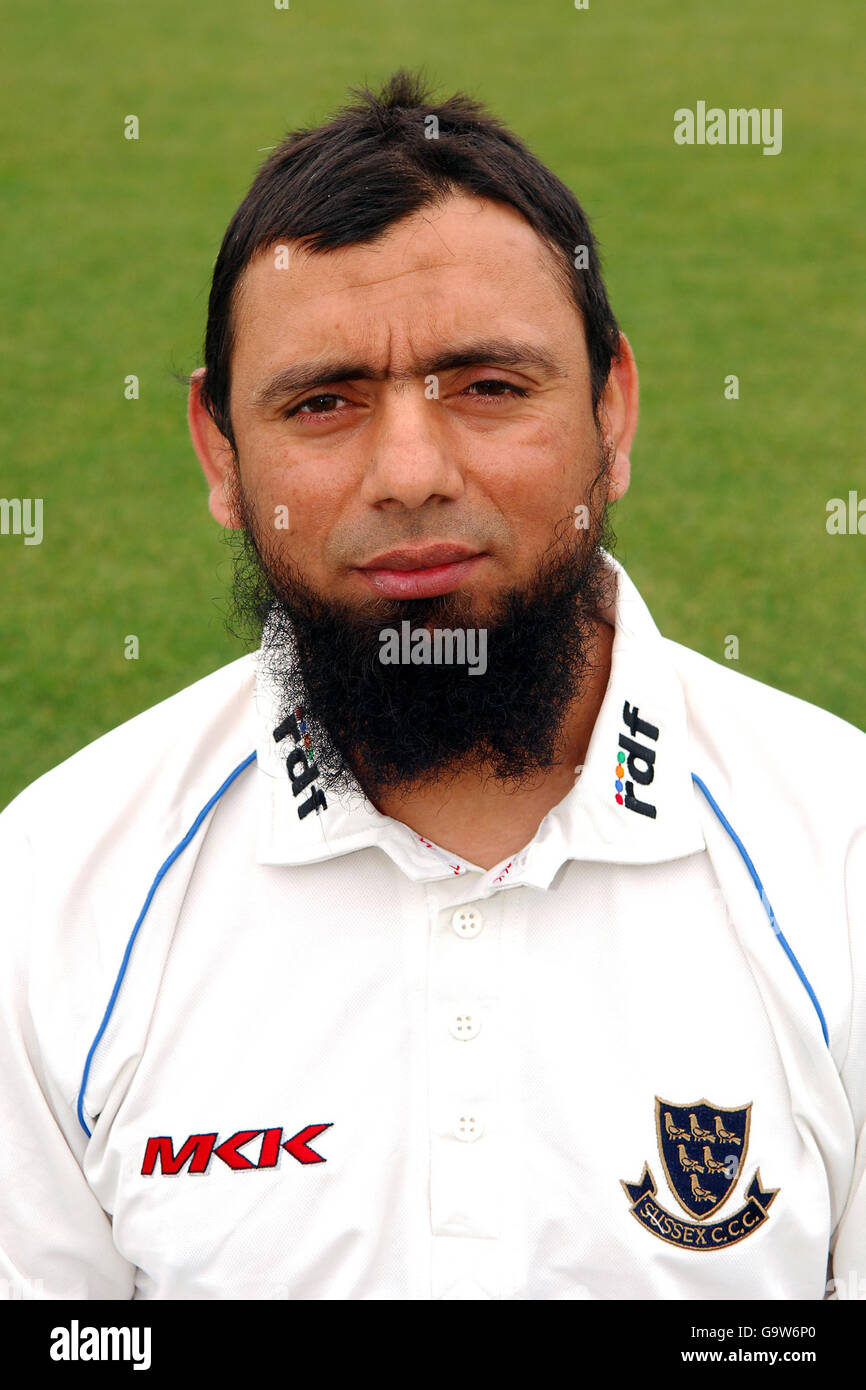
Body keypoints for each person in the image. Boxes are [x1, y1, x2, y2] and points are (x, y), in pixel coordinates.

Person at [0, 69, 864, 1302]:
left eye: (488, 387)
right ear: (220, 454)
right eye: (324, 401)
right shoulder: (48, 892)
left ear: (611, 413)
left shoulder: (840, 856)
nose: (409, 472)